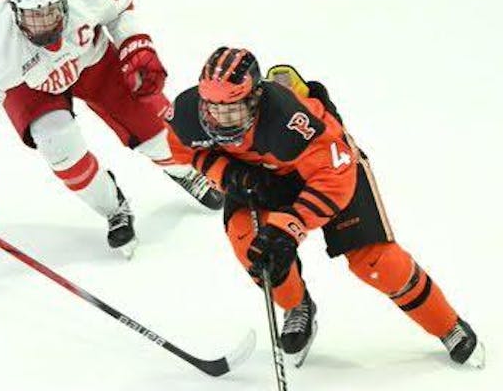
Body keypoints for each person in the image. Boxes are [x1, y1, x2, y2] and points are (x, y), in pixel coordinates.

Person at [165, 47, 484, 368]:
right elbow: (183, 148)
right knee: (252, 247)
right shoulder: (188, 111)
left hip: (330, 170)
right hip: (260, 176)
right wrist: (228, 173)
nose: (219, 121)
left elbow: (335, 180)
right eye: (213, 110)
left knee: (376, 261)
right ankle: (297, 306)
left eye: (231, 111)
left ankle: (447, 324)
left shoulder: (293, 120)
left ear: (254, 99)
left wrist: (289, 228)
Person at [0, 0, 223, 258]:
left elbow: (120, 4)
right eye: (35, 16)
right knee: (59, 147)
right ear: (16, 13)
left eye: (52, 10)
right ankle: (114, 208)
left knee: (159, 135)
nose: (47, 23)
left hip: (92, 61)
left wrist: (135, 44)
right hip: (31, 84)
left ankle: (184, 172)